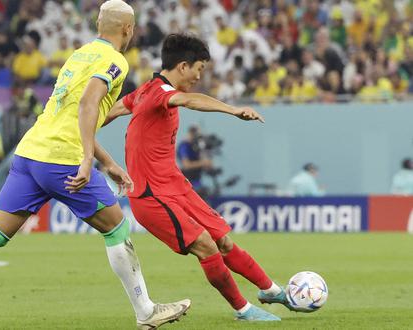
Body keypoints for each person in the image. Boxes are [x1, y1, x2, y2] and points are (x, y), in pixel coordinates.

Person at [0, 2, 190, 329]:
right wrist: (88, 160)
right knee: (116, 227)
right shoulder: (115, 60)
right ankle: (146, 311)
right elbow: (89, 105)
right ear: (128, 29)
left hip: (30, 153)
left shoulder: (78, 56)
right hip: (63, 159)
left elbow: (68, 117)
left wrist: (108, 162)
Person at [104, 33, 297, 322]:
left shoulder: (144, 92)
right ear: (183, 66)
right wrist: (232, 110)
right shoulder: (160, 93)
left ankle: (269, 289)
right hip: (151, 195)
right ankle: (243, 309)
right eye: (199, 69)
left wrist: (89, 121)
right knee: (206, 245)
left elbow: (115, 109)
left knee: (224, 241)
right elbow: (190, 100)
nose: (199, 75)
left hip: (176, 187)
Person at [176, 125, 211, 196]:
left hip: (197, 179)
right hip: (187, 179)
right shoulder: (184, 145)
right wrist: (203, 163)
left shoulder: (197, 146)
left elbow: (207, 165)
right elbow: (186, 165)